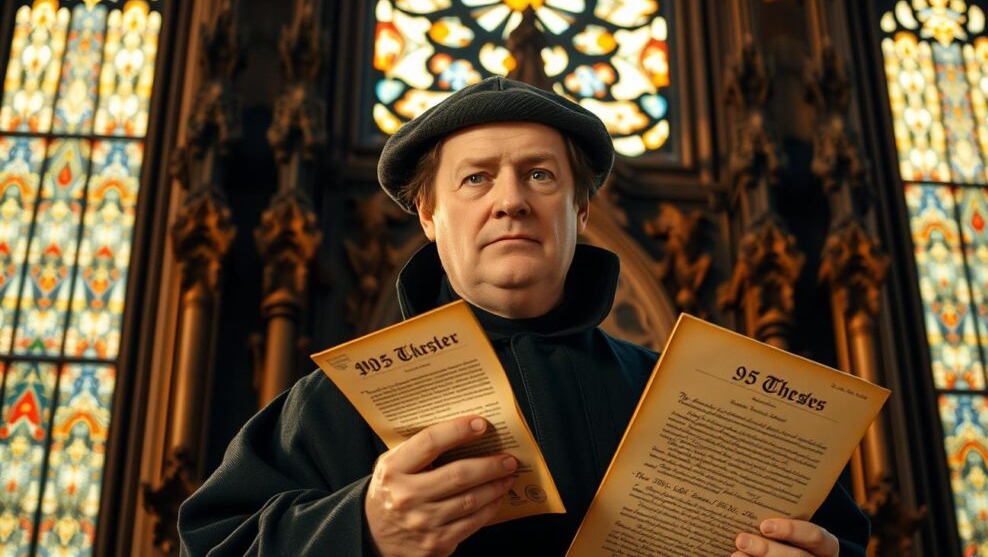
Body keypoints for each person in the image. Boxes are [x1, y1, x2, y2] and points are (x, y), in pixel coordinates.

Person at [178, 77, 868, 556]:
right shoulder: (336, 402)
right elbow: (213, 545)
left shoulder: (686, 397)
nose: (511, 200)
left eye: (540, 175)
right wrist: (364, 528)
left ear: (580, 209)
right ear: (428, 214)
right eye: (476, 178)